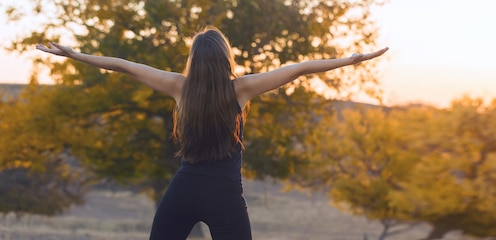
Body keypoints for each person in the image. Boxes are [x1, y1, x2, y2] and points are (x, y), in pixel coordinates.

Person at [36, 26, 388, 240]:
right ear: (225, 59)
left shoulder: (178, 86)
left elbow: (122, 66)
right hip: (225, 194)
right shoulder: (242, 89)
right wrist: (348, 60)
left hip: (184, 187)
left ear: (194, 59)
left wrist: (75, 55)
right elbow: (300, 69)